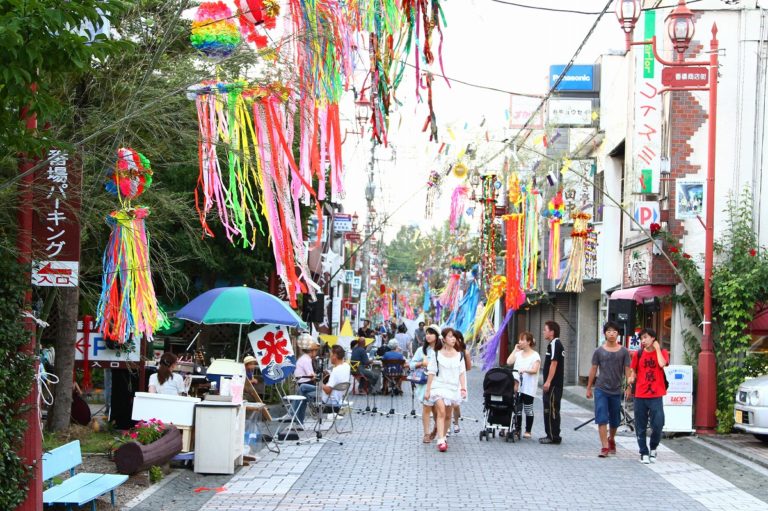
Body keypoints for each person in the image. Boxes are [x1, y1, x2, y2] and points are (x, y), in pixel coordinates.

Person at [587, 321, 632, 458]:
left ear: (618, 334)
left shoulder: (624, 351)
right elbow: (594, 369)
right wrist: (589, 387)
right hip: (601, 388)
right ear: (605, 333)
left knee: (615, 420)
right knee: (601, 418)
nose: (611, 334)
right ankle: (604, 446)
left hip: (616, 389)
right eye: (609, 331)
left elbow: (627, 371)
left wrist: (628, 386)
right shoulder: (599, 351)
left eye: (614, 332)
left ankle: (611, 438)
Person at [630, 327, 669, 464]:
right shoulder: (638, 354)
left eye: (646, 337)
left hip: (656, 394)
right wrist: (631, 377)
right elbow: (633, 370)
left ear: (653, 338)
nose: (643, 340)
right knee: (640, 425)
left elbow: (662, 364)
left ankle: (653, 447)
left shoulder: (663, 352)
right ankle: (643, 452)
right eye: (641, 338)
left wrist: (657, 349)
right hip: (640, 394)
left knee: (658, 424)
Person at [425, 327, 467, 452]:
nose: (453, 338)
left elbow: (462, 372)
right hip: (438, 386)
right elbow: (431, 372)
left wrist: (463, 388)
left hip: (452, 387)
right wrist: (428, 390)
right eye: (450, 336)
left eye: (454, 336)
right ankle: (441, 439)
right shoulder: (436, 353)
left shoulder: (459, 355)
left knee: (448, 415)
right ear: (443, 339)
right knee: (441, 411)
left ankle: (443, 436)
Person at [506, 331, 541, 439]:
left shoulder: (535, 355)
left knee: (528, 409)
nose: (520, 341)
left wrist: (524, 370)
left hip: (529, 387)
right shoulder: (518, 354)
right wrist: (515, 350)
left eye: (522, 339)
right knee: (518, 409)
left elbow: (535, 370)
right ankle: (517, 430)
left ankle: (528, 431)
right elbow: (508, 362)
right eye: (520, 339)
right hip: (517, 386)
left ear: (528, 342)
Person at [411, 324, 440, 443]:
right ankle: (426, 433)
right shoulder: (421, 350)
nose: (428, 336)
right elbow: (411, 364)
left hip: (439, 384)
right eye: (427, 333)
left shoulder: (442, 350)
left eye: (431, 333)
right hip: (425, 384)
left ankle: (437, 429)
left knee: (438, 411)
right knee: (427, 408)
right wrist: (421, 364)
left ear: (437, 336)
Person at [540, 321, 564, 445]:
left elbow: (554, 363)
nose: (544, 332)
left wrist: (548, 381)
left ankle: (553, 436)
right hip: (552, 384)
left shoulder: (555, 343)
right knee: (548, 409)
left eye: (545, 329)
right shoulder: (552, 344)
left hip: (554, 384)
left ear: (551, 332)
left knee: (552, 409)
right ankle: (550, 434)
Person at [292, 333, 320, 426]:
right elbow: (311, 375)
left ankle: (297, 419)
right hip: (305, 383)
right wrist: (318, 376)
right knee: (303, 396)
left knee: (303, 400)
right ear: (312, 351)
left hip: (304, 383)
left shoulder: (304, 358)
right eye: (316, 351)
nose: (316, 353)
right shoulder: (306, 359)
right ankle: (296, 417)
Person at [450, 330, 472, 434]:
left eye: (456, 338)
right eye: (451, 337)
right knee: (448, 403)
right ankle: (447, 425)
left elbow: (468, 368)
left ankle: (456, 422)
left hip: (460, 379)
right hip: (448, 379)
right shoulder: (446, 350)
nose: (453, 340)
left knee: (456, 404)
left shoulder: (464, 352)